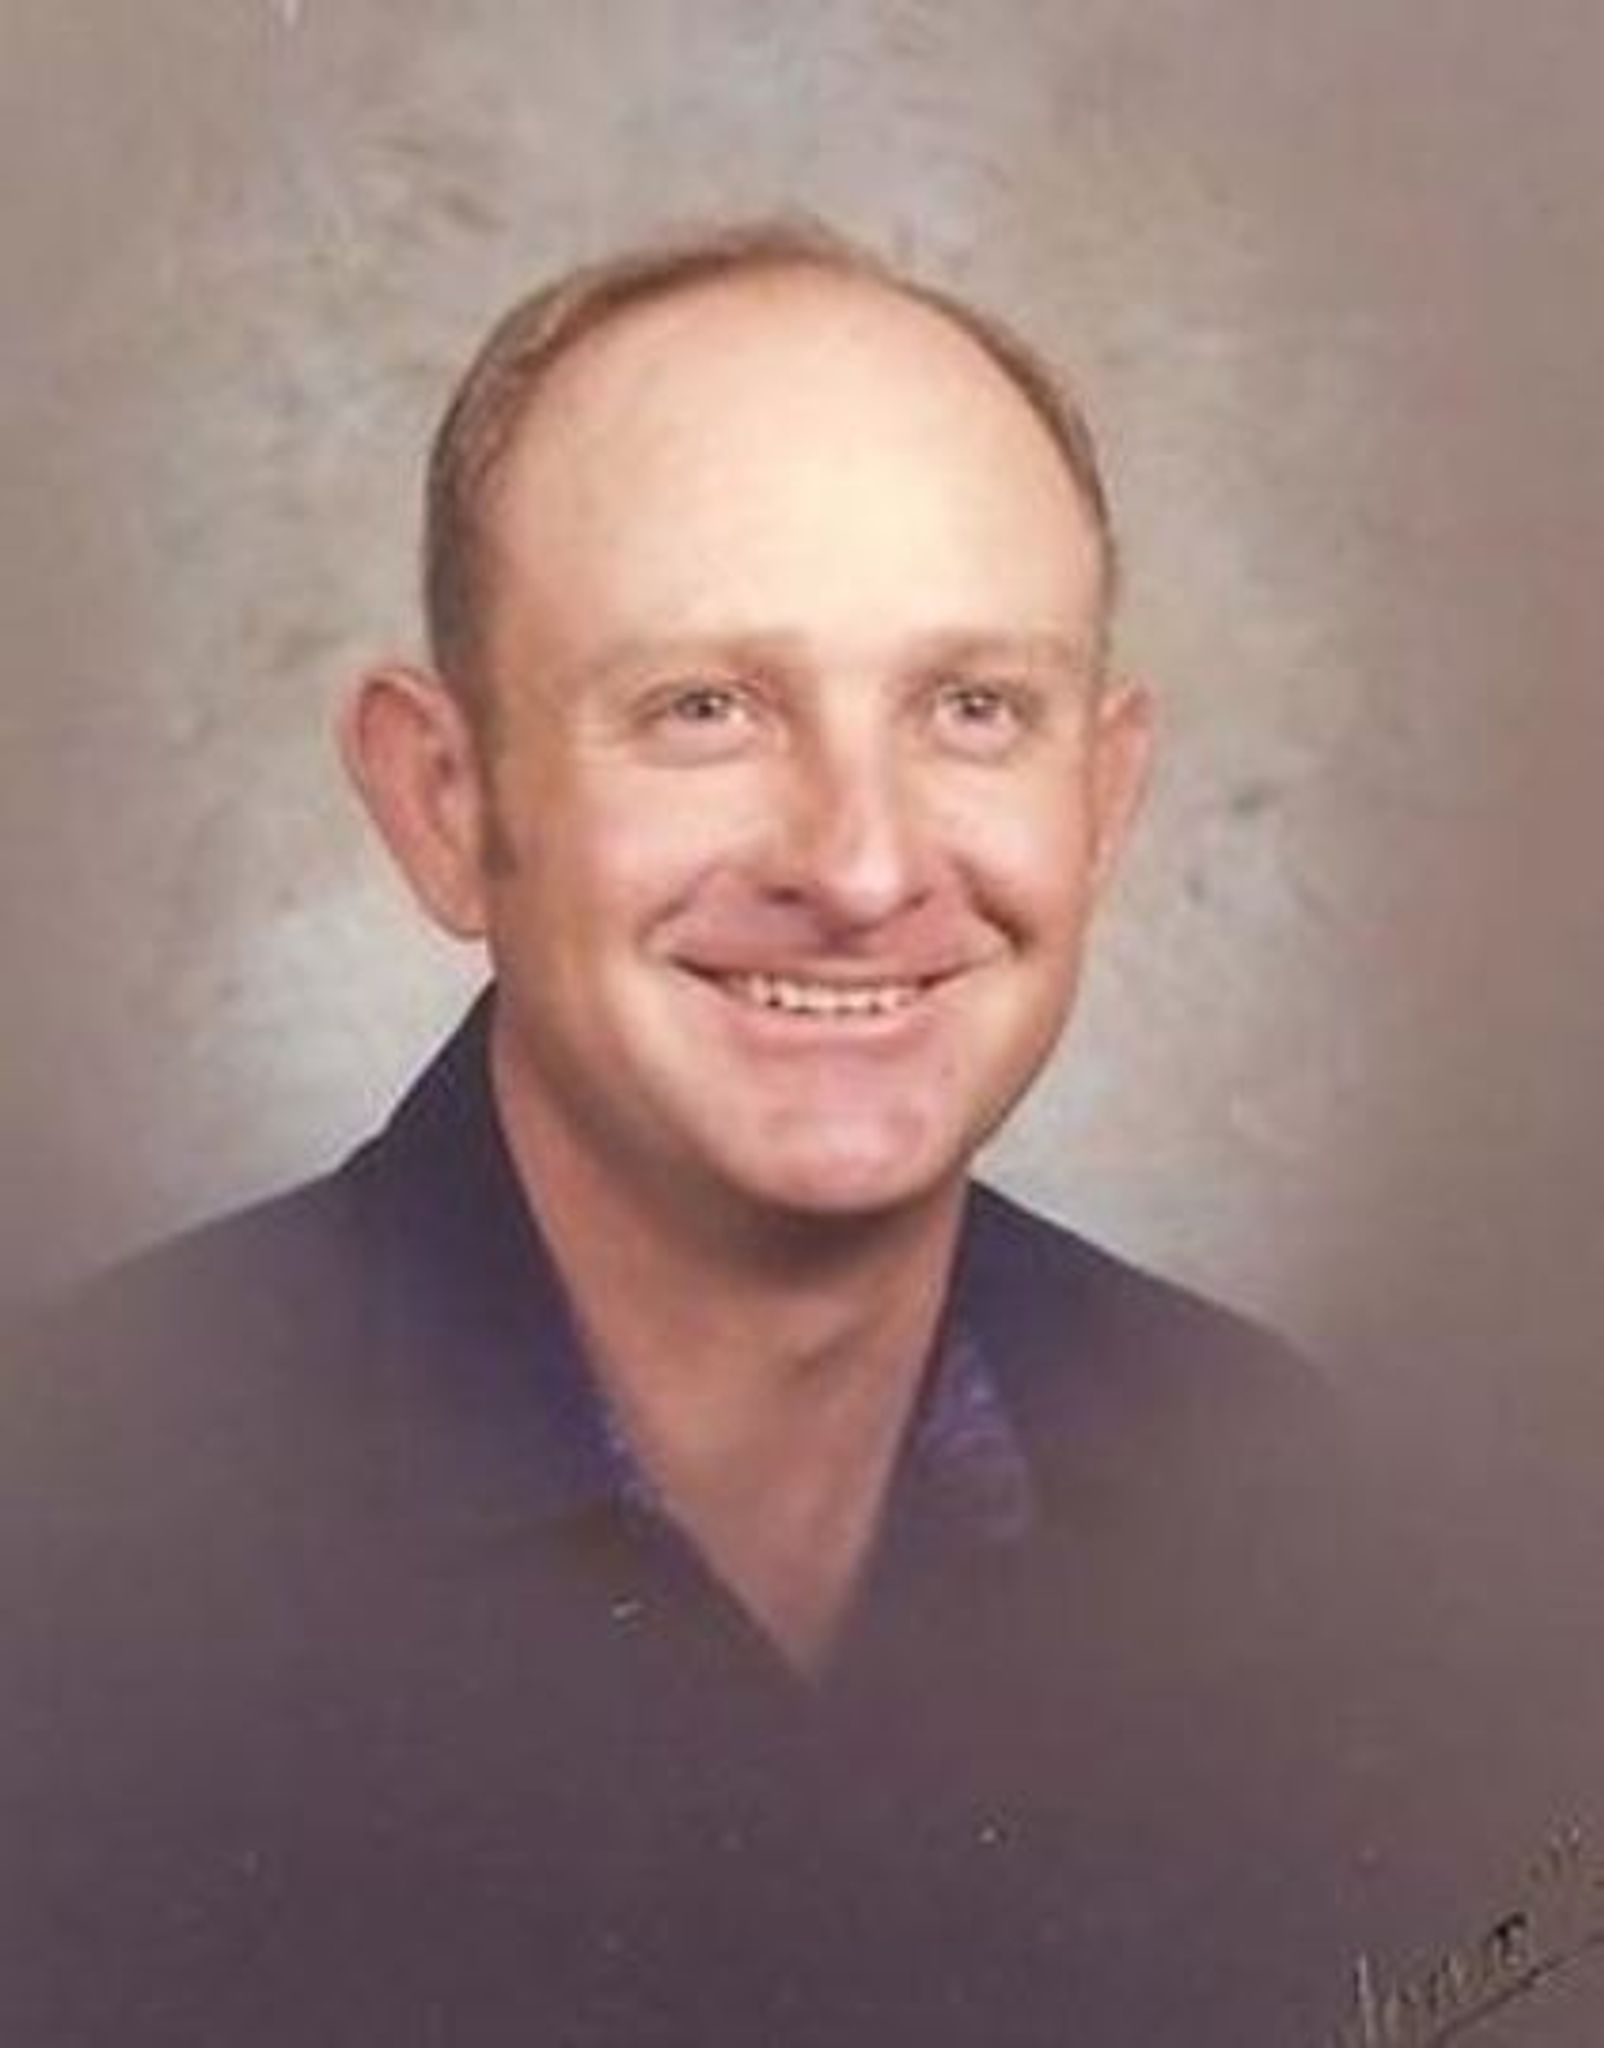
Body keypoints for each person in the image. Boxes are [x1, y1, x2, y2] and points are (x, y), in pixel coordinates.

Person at [0, 220, 1537, 2047]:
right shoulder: (76, 1537)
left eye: (974, 708)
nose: (862, 865)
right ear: (446, 801)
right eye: (705, 709)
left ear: (1104, 801)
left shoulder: (1281, 1511)